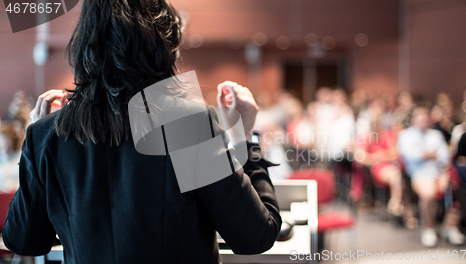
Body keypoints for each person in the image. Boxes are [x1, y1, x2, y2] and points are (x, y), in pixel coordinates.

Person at [2, 1, 281, 263]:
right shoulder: (189, 124)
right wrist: (244, 140)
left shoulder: (48, 134)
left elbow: (24, 240)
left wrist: (35, 146)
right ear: (164, 44)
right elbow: (255, 236)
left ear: (86, 40)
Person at [397, 106, 465, 247]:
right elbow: (412, 156)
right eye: (419, 118)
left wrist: (427, 156)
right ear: (413, 120)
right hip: (418, 175)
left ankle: (450, 227)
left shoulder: (435, 135)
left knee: (459, 188)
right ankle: (428, 229)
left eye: (425, 117)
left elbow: (445, 157)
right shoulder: (406, 135)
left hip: (438, 173)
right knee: (428, 194)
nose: (423, 121)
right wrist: (432, 154)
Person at [0, 122, 22, 193]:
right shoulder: (1, 158)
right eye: (3, 145)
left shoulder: (20, 156)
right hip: (2, 195)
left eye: (7, 143)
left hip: (17, 194)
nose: (5, 147)